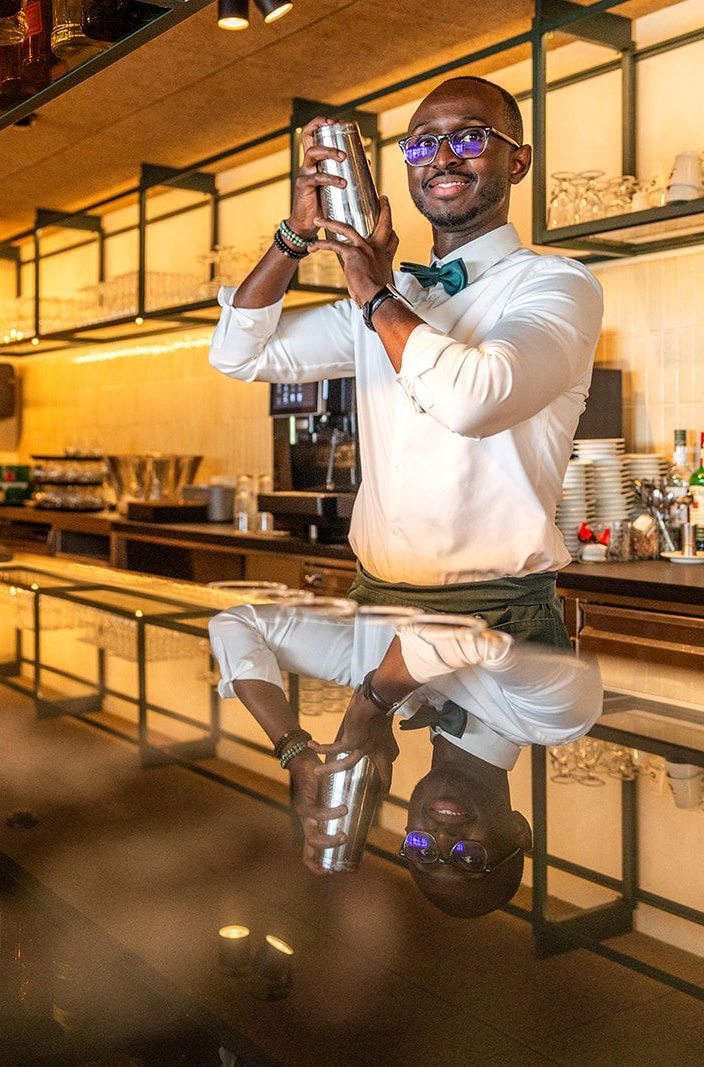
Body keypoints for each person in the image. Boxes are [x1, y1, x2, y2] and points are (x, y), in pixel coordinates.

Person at [208, 76, 604, 649]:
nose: (442, 157)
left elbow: (475, 400)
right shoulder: (396, 297)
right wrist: (294, 236)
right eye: (422, 143)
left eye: (470, 137)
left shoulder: (557, 284)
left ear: (518, 162)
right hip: (374, 607)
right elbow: (237, 353)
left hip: (497, 616)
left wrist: (374, 296)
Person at [208, 602, 601, 917]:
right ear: (518, 831)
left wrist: (295, 751)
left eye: (423, 850)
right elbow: (452, 628)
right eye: (469, 858)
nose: (443, 840)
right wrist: (370, 709)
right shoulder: (557, 719)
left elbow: (237, 625)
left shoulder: (386, 682)